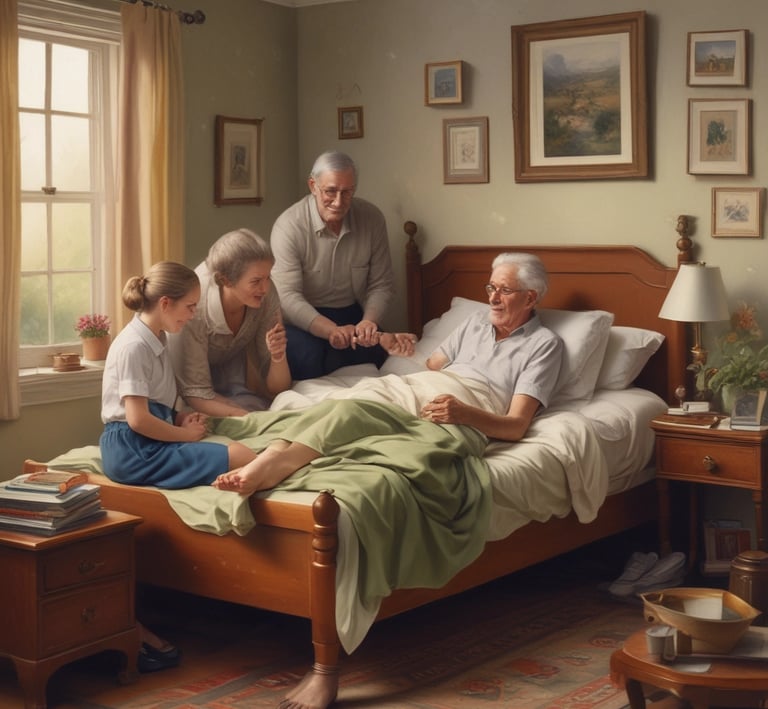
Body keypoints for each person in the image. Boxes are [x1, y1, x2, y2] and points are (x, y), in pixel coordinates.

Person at [212, 250, 564, 709]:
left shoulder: (544, 346)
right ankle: (273, 461)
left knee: (395, 452)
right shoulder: (475, 323)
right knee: (346, 408)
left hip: (466, 412)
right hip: (419, 392)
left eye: (504, 290)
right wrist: (404, 348)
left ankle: (274, 465)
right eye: (490, 288)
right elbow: (433, 366)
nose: (493, 298)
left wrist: (463, 413)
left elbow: (516, 426)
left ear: (530, 298)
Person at [99, 261, 258, 488]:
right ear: (165, 303)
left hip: (146, 441)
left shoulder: (157, 338)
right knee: (240, 456)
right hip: (133, 451)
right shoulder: (133, 347)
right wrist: (186, 435)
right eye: (190, 307)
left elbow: (151, 403)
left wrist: (179, 419)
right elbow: (137, 420)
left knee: (244, 455)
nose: (192, 315)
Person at [270, 150, 414, 379]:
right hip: (302, 317)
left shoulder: (372, 218)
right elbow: (287, 296)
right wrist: (330, 331)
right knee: (308, 356)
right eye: (330, 191)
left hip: (351, 312)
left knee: (378, 353)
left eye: (347, 192)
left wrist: (368, 322)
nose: (338, 202)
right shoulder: (288, 226)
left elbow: (381, 284)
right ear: (313, 186)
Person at [167, 229, 291, 417]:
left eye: (268, 277)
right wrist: (249, 418)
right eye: (256, 281)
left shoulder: (265, 294)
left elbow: (277, 389)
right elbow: (194, 392)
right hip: (181, 389)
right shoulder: (194, 308)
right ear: (225, 280)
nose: (265, 288)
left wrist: (278, 357)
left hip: (228, 382)